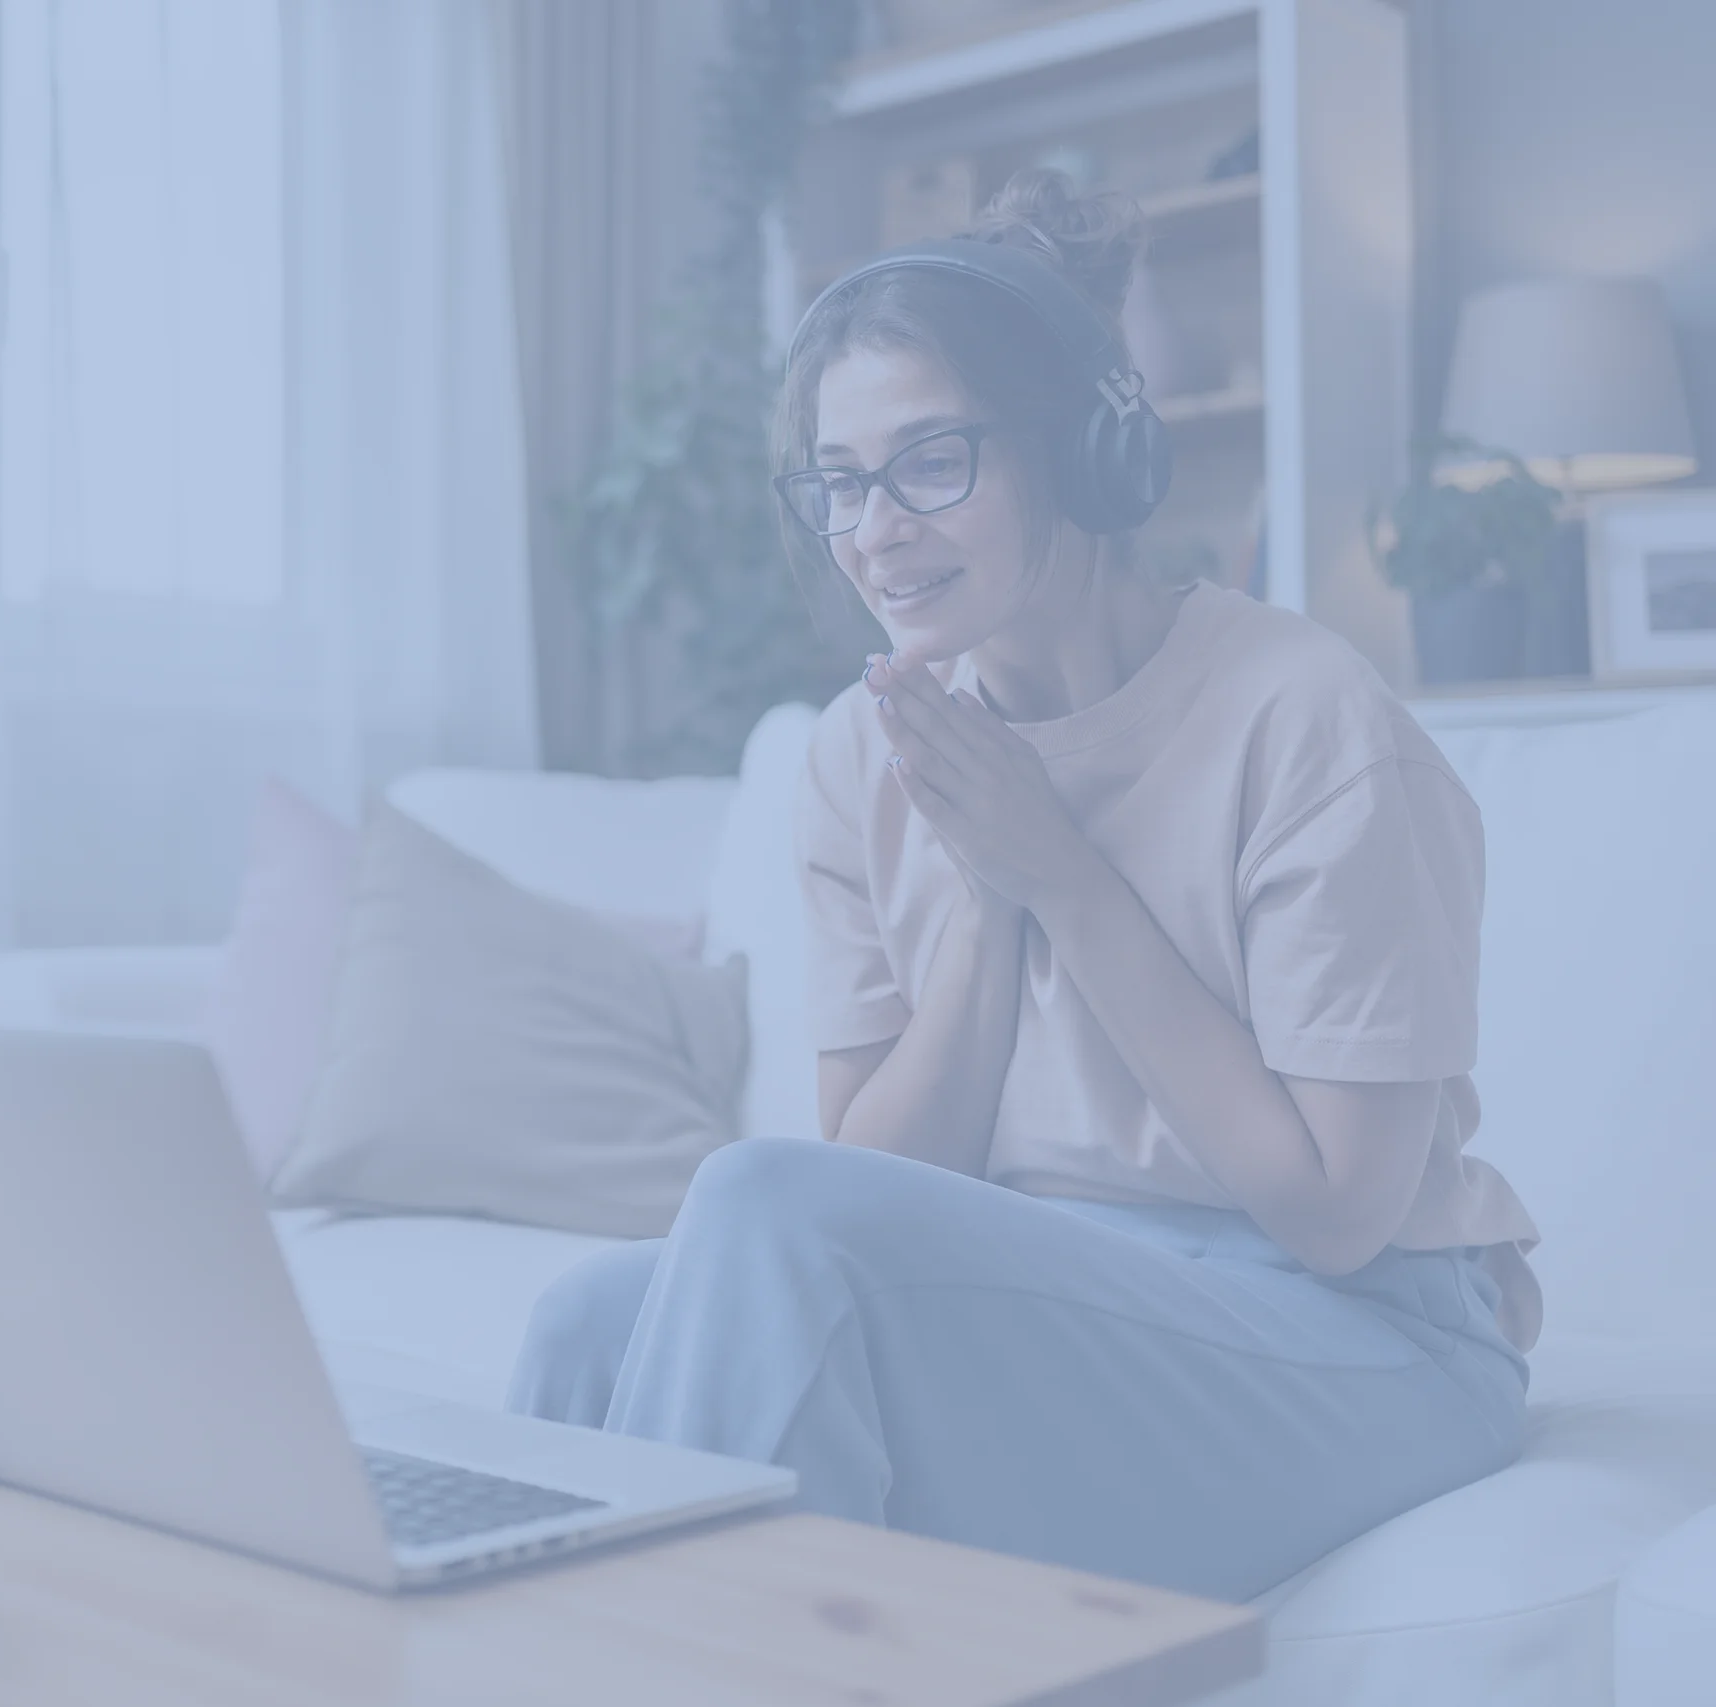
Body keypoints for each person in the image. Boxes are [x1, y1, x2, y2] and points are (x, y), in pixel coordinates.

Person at [506, 171, 1540, 1602]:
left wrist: (1061, 872)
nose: (877, 529)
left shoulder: (1305, 718)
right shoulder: (863, 756)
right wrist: (988, 881)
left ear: (1084, 452)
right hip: (1069, 1280)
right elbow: (885, 1185)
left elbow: (1335, 1214)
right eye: (844, 482)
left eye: (934, 460)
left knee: (754, 1207)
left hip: (1367, 1332)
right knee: (587, 1325)